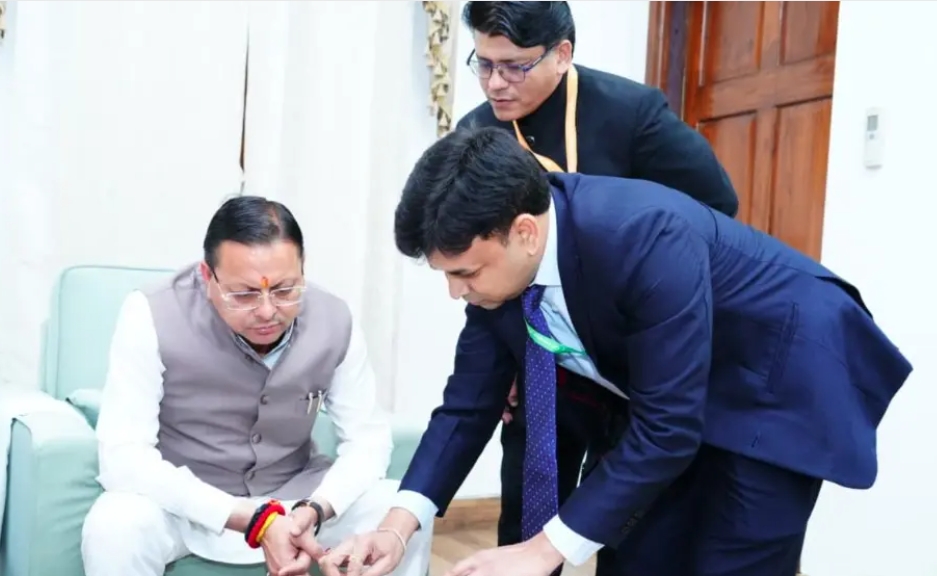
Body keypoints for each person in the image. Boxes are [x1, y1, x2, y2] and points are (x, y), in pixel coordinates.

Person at [317, 127, 913, 576]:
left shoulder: (641, 235)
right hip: (672, 396)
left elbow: (668, 427)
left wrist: (542, 551)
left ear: (524, 232)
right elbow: (465, 408)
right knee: (635, 554)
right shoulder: (497, 286)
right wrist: (396, 528)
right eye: (446, 274)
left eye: (465, 272)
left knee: (731, 559)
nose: (456, 292)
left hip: (775, 377)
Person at [454, 0, 740, 549]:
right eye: (483, 63)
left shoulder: (629, 113)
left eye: (514, 66)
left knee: (630, 527)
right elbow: (476, 260)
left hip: (630, 357)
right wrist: (504, 350)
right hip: (543, 355)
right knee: (526, 520)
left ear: (562, 54)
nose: (495, 83)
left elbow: (715, 209)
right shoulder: (476, 135)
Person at [80, 196, 432, 576]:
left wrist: (316, 508)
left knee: (399, 511)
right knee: (114, 526)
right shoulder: (151, 313)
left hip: (298, 501)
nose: (267, 311)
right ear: (207, 277)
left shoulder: (334, 319)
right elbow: (124, 456)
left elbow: (368, 442)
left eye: (284, 289)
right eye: (244, 294)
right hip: (187, 507)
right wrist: (253, 519)